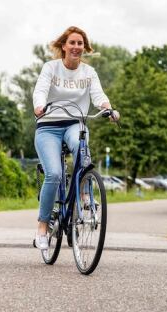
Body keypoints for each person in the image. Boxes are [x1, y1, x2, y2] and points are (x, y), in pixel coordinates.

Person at [32, 26, 118, 250]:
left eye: (80, 43)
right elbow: (40, 90)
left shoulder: (89, 72)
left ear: (84, 47)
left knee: (82, 152)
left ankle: (84, 193)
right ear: (64, 46)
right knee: (54, 173)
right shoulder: (51, 68)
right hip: (48, 126)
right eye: (72, 43)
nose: (76, 47)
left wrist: (108, 108)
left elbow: (98, 95)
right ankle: (43, 225)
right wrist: (39, 106)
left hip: (74, 123)